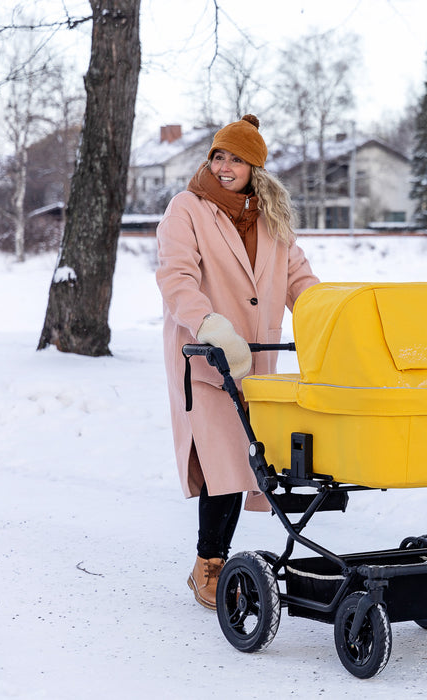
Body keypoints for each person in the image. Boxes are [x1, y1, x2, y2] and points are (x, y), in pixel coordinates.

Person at [156, 114, 319, 609]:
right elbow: (176, 276)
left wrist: (331, 319)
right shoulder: (187, 208)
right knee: (222, 463)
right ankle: (208, 564)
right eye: (218, 157)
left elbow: (301, 281)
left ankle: (225, 563)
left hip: (257, 362)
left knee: (250, 463)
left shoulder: (272, 217)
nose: (224, 167)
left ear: (255, 168)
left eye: (236, 160)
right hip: (206, 358)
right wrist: (209, 324)